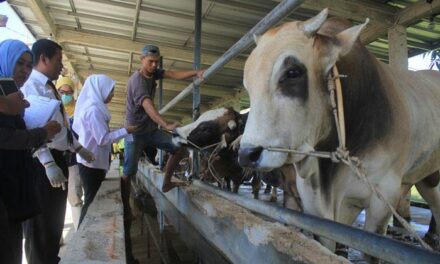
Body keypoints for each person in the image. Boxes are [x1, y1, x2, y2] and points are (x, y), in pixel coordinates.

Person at [122, 44, 204, 264]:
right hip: (134, 132)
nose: (154, 65)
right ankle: (125, 206)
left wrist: (194, 73)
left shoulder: (153, 73)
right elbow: (148, 105)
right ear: (141, 60)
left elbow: (172, 74)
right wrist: (165, 124)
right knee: (127, 171)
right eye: (150, 61)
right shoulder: (137, 81)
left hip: (150, 130)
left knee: (178, 147)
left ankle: (166, 182)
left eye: (157, 61)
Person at [20, 39, 95, 264]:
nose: (60, 66)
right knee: (41, 227)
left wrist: (77, 147)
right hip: (42, 163)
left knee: (53, 223)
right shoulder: (31, 85)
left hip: (59, 158)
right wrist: (47, 162)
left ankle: (50, 259)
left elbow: (61, 124)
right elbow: (32, 126)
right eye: (58, 60)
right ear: (43, 58)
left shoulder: (48, 86)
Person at [0, 39, 61, 264]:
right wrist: (43, 134)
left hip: (14, 182)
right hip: (7, 183)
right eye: (19, 64)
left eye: (28, 64)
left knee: (14, 246)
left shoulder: (11, 93)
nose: (25, 70)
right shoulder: (10, 94)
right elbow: (7, 138)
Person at [72, 74, 136, 226]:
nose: (113, 94)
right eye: (110, 90)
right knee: (91, 200)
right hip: (90, 164)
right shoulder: (94, 111)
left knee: (92, 198)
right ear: (100, 89)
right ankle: (82, 233)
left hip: (93, 161)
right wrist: (125, 131)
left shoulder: (96, 107)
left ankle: (86, 230)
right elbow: (102, 139)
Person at [56, 75, 83, 230]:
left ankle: (79, 230)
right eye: (61, 92)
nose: (65, 96)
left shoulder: (78, 110)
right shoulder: (53, 108)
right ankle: (56, 237)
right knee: (55, 200)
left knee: (74, 195)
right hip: (56, 159)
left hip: (73, 160)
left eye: (68, 92)